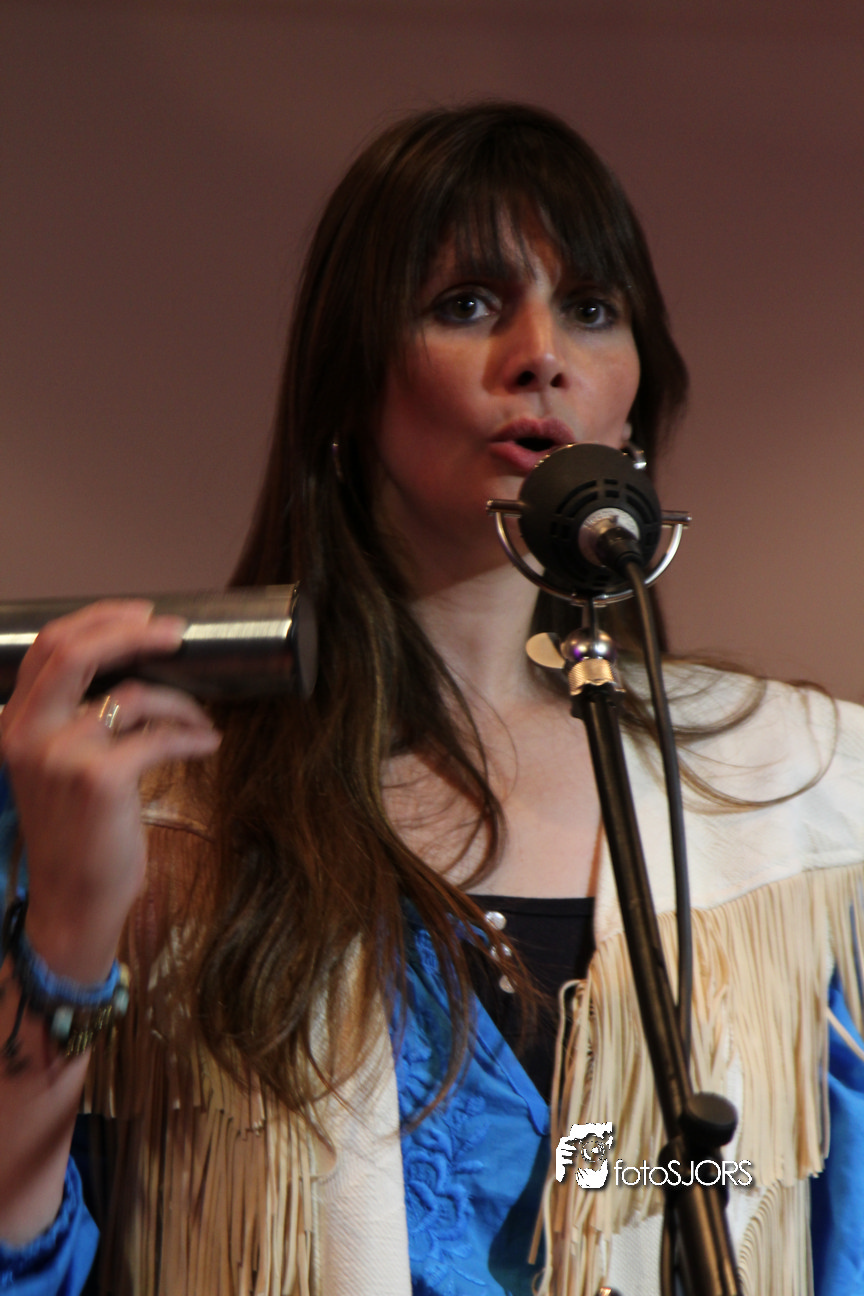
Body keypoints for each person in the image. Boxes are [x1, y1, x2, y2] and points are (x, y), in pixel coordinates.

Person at [1, 101, 864, 1296]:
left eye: (591, 307)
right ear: (350, 389)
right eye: (466, 304)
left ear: (635, 401)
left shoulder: (803, 790)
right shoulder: (152, 794)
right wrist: (66, 927)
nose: (541, 354)